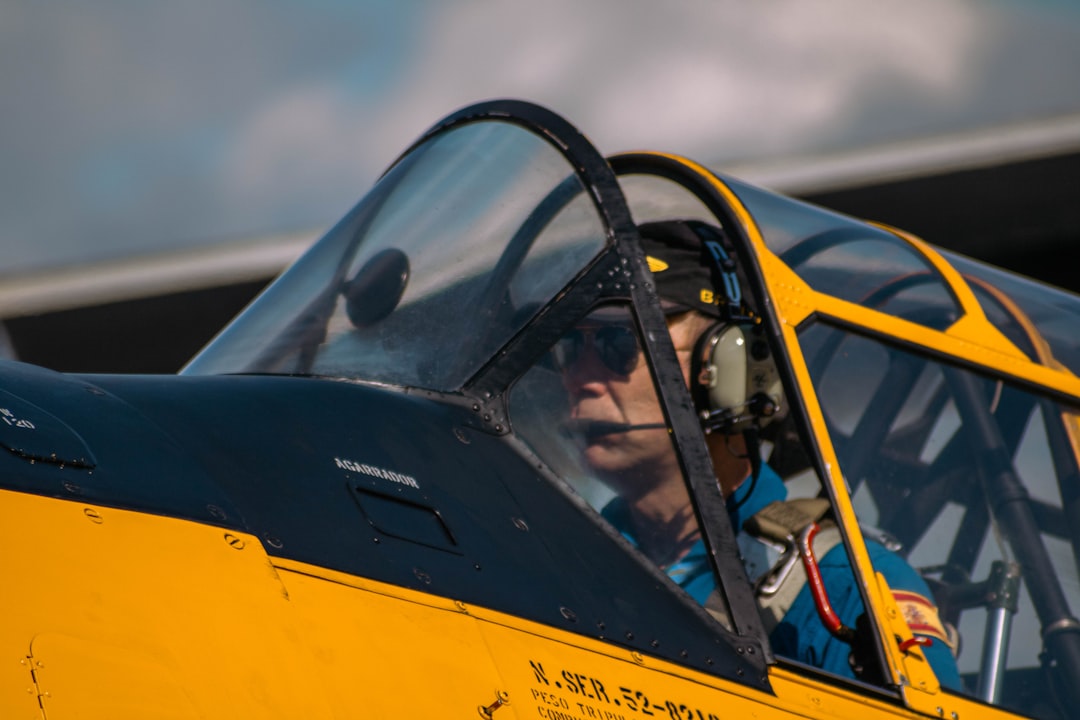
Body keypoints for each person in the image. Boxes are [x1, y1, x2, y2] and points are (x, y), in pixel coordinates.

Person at [555, 219, 962, 689]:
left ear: (728, 368)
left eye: (618, 343)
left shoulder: (840, 589)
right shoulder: (556, 556)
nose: (578, 377)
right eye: (569, 346)